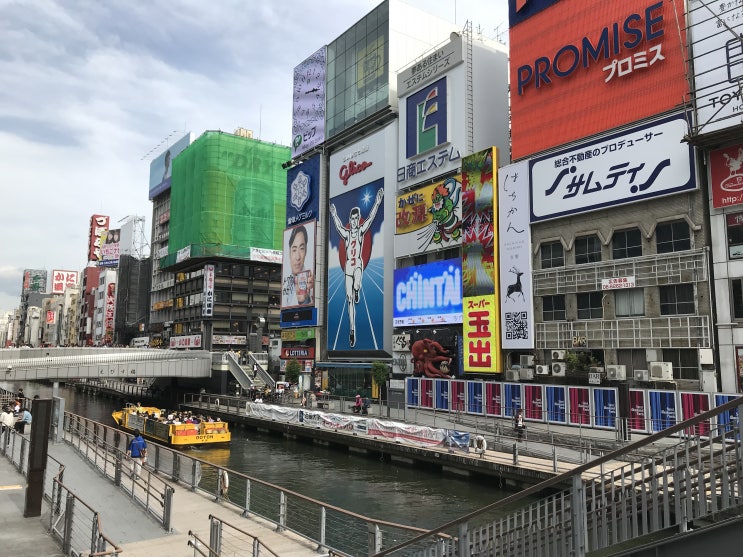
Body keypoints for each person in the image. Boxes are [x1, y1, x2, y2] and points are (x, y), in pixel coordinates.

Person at [329, 187, 384, 347]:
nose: (353, 221)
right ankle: (352, 330)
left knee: (357, 285)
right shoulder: (346, 234)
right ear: (350, 219)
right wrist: (333, 213)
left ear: (358, 219)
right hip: (348, 268)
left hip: (358, 265)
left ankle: (358, 289)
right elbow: (338, 226)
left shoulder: (360, 232)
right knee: (349, 299)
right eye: (351, 219)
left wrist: (377, 201)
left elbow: (372, 218)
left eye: (356, 218)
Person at [282, 224, 314, 307]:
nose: (298, 257)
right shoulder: (285, 280)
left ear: (306, 251)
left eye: (302, 249)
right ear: (289, 252)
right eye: (294, 250)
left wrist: (304, 301)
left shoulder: (310, 281)